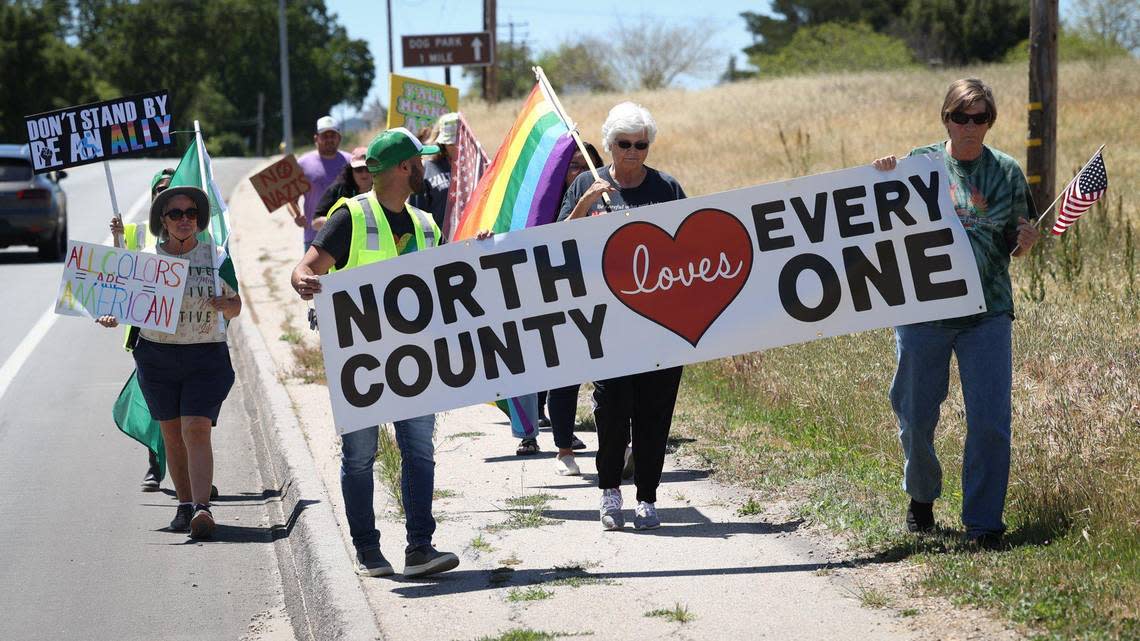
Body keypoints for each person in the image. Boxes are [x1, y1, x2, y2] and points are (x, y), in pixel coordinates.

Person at [871, 78, 1041, 549]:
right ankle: (921, 500)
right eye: (960, 117)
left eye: (980, 117)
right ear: (945, 118)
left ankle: (984, 524)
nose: (970, 126)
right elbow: (877, 223)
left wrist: (1023, 243)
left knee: (990, 421)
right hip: (924, 312)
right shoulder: (919, 165)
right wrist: (881, 172)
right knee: (915, 414)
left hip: (987, 313)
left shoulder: (1006, 171)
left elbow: (1013, 238)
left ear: (991, 121)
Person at [290, 127, 459, 578]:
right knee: (361, 455)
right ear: (405, 167)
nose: (426, 167)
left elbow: (445, 281)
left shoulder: (426, 224)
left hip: (415, 358)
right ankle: (368, 550)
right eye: (419, 161)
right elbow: (306, 267)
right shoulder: (351, 217)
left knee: (419, 450)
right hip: (361, 361)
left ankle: (420, 548)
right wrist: (301, 279)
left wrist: (476, 253)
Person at [559, 102, 687, 530]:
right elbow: (557, 244)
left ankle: (647, 496)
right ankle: (609, 492)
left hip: (659, 323)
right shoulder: (584, 183)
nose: (632, 152)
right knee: (612, 410)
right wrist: (585, 206)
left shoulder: (666, 187)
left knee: (655, 412)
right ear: (610, 144)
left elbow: (689, 247)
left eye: (641, 144)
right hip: (607, 322)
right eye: (623, 143)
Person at [100, 185, 242, 540]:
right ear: (162, 220)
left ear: (199, 219)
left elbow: (237, 304)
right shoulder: (146, 259)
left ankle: (201, 508)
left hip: (205, 354)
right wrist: (111, 316)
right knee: (172, 433)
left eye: (191, 213)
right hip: (158, 356)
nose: (184, 220)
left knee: (196, 427)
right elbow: (123, 306)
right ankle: (183, 505)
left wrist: (229, 306)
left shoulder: (217, 256)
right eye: (175, 214)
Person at [296, 115, 351, 250]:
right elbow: (291, 198)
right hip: (313, 237)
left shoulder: (351, 162)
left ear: (339, 138)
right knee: (312, 272)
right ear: (316, 138)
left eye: (333, 135)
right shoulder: (303, 163)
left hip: (348, 235)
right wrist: (296, 215)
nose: (329, 139)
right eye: (324, 136)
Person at [409, 112, 458, 234]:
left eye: (460, 141)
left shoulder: (475, 167)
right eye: (451, 143)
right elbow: (416, 215)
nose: (457, 147)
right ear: (443, 143)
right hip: (438, 245)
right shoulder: (426, 169)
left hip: (471, 243)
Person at [311, 146, 372, 226]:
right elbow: (315, 222)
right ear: (351, 170)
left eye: (368, 168)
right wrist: (342, 222)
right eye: (359, 169)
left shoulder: (383, 189)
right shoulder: (338, 189)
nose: (364, 174)